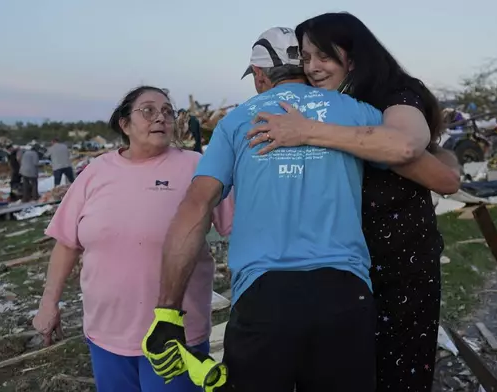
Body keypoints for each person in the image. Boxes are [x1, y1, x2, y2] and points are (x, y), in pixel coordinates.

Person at [143, 27, 388, 392]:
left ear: (259, 75)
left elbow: (196, 207)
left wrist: (167, 312)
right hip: (345, 293)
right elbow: (412, 156)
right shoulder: (357, 112)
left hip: (263, 297)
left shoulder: (236, 121)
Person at [245, 13, 461, 392]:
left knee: (397, 374)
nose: (312, 68)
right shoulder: (334, 103)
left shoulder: (392, 94)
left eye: (323, 56)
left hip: (398, 266)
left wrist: (307, 131)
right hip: (340, 270)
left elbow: (411, 150)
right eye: (306, 57)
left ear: (353, 55)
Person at [32, 86, 233, 392]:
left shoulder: (196, 167)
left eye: (168, 111)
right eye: (148, 110)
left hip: (175, 336)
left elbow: (238, 229)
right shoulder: (95, 172)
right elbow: (66, 243)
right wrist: (49, 303)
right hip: (106, 334)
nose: (161, 118)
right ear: (124, 124)